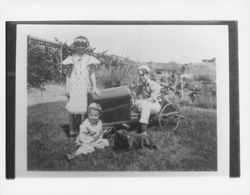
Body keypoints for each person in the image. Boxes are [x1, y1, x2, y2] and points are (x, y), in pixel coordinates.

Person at [62, 36, 100, 136]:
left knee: (82, 109)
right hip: (73, 86)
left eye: (83, 45)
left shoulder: (89, 59)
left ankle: (80, 127)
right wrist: (67, 88)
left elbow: (92, 74)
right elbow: (68, 74)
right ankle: (71, 129)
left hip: (84, 87)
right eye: (79, 45)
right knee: (71, 108)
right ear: (75, 46)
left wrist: (94, 86)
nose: (81, 47)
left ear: (86, 46)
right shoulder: (71, 59)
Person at [134, 65, 162, 135]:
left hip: (155, 105)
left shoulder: (154, 84)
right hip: (143, 103)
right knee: (129, 102)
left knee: (144, 105)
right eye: (139, 75)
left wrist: (138, 101)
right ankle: (125, 122)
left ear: (148, 74)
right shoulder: (140, 85)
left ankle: (143, 131)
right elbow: (133, 94)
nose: (141, 77)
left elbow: (152, 99)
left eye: (143, 75)